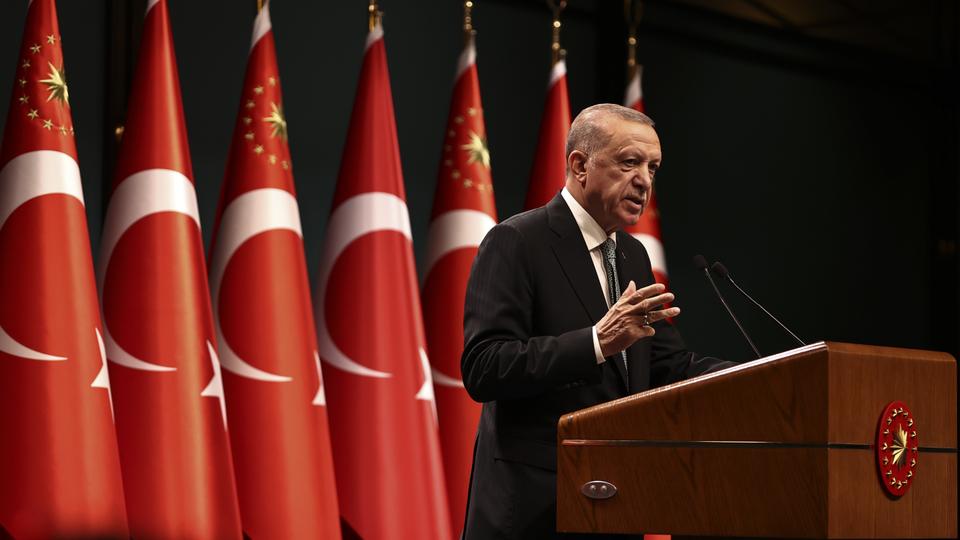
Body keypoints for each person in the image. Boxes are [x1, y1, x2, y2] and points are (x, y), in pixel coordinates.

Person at [460, 103, 732, 539]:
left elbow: (666, 365)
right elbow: (484, 367)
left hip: (613, 504)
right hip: (534, 511)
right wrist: (596, 342)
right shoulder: (516, 241)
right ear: (580, 165)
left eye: (653, 167)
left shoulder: (632, 255)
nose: (644, 180)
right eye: (630, 162)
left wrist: (759, 375)